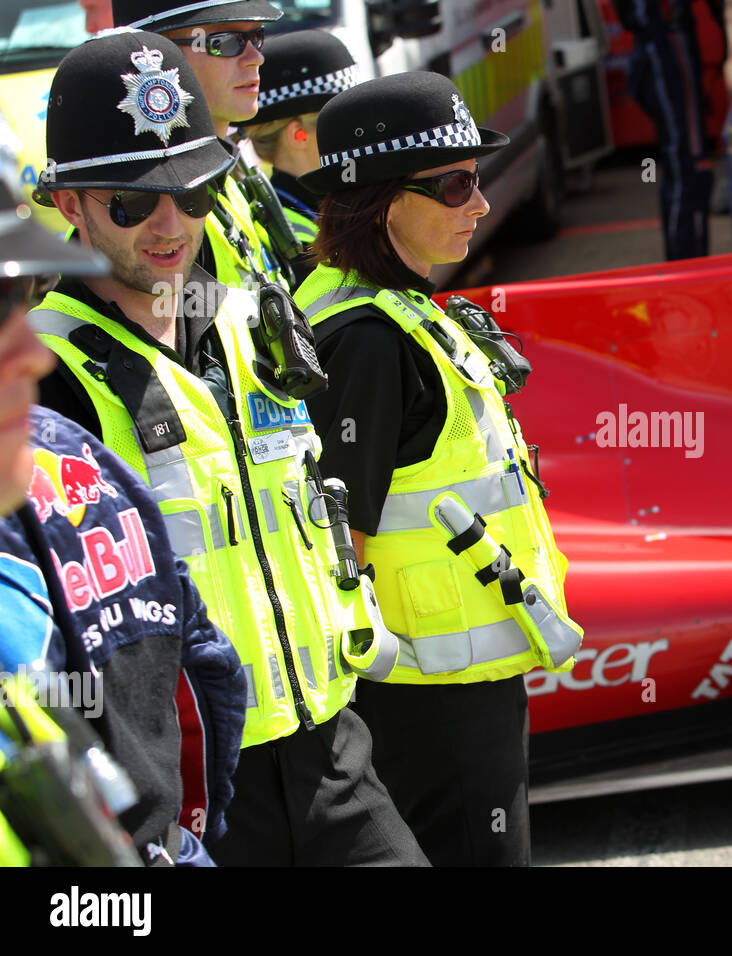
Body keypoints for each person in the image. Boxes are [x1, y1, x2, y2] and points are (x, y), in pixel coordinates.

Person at [30, 30, 425, 866]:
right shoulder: (40, 378)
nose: (173, 225)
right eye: (133, 202)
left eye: (196, 189)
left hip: (332, 758)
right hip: (192, 799)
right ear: (69, 205)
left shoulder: (256, 325)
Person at [294, 72, 583, 865]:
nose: (480, 204)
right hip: (432, 702)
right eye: (455, 185)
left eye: (477, 179)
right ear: (384, 202)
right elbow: (336, 552)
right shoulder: (367, 340)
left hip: (451, 683)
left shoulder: (387, 309)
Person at [0, 119, 244, 866]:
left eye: (17, 301)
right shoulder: (72, 416)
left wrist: (180, 844)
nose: (30, 352)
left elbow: (199, 659)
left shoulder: (68, 453)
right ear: (73, 207)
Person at [113, 0, 298, 290]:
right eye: (225, 42)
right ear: (155, 56)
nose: (256, 58)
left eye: (257, 37)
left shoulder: (229, 173)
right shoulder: (154, 210)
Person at [238, 30, 359, 287]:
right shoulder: (291, 243)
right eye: (346, 119)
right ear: (299, 134)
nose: (361, 131)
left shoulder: (323, 202)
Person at [612, 0, 719, 260]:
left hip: (671, 41)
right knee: (684, 161)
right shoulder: (656, 40)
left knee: (689, 161)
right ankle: (683, 263)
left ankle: (689, 259)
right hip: (662, 47)